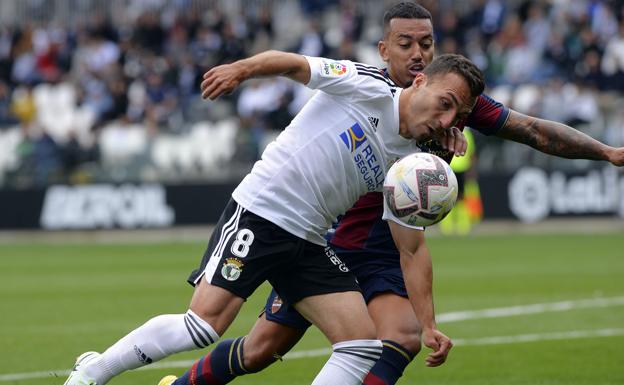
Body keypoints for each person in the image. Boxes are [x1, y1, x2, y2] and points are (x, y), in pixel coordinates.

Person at [158, 3, 624, 385]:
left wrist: (606, 152)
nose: (418, 53)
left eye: (427, 43)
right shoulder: (359, 86)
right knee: (261, 350)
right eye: (407, 44)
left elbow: (532, 130)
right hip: (327, 239)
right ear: (386, 50)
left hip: (387, 244)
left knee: (403, 337)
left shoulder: (454, 101)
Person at [63, 49, 485, 385]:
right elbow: (294, 63)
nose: (446, 119)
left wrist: (428, 325)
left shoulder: (412, 162)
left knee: (361, 344)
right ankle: (93, 372)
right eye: (444, 104)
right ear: (419, 80)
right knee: (203, 326)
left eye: (456, 116)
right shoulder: (367, 86)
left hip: (309, 239)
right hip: (263, 211)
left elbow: (410, 250)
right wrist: (240, 70)